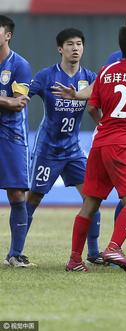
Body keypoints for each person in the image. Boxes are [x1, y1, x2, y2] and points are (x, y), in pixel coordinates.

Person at [65, 24, 126, 272]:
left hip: (99, 142)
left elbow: (93, 107)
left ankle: (75, 260)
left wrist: (106, 126)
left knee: (90, 203)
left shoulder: (105, 72)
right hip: (122, 143)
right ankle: (114, 247)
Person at [25, 28, 102, 265]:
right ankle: (15, 253)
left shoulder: (89, 77)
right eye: (70, 44)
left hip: (73, 149)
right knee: (34, 198)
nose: (75, 48)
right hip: (47, 148)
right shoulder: (47, 76)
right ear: (60, 49)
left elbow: (100, 103)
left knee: (92, 197)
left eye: (79, 44)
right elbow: (25, 94)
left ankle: (93, 252)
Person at [0, 15, 32, 268]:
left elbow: (17, 104)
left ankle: (15, 254)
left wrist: (9, 101)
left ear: (7, 35)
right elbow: (8, 101)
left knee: (17, 193)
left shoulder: (20, 65)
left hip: (12, 136)